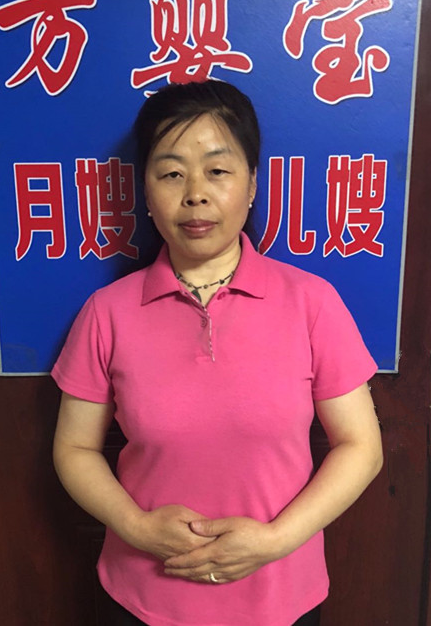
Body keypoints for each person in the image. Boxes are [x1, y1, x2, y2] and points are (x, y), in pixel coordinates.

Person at [52, 80, 383, 626]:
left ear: (252, 183)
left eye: (218, 170)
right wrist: (137, 529)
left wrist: (275, 540)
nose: (195, 194)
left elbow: (361, 447)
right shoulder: (107, 312)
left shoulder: (312, 303)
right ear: (145, 191)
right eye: (171, 173)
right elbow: (74, 448)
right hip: (143, 598)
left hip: (280, 598)